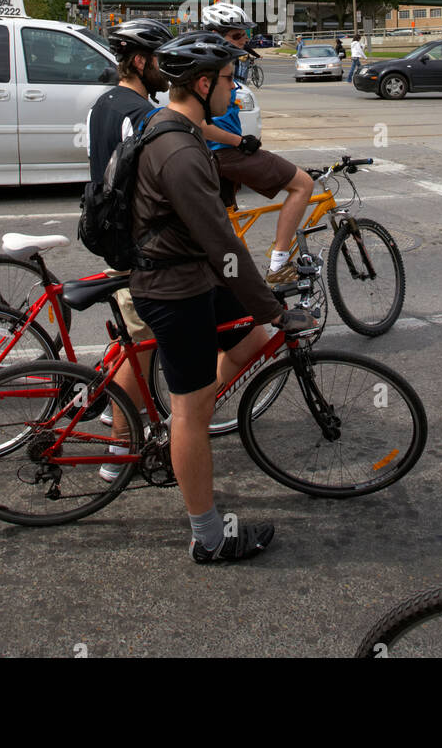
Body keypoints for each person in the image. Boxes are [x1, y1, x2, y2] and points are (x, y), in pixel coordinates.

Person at [128, 30, 315, 562]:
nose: (235, 91)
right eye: (229, 80)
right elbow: (225, 247)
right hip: (175, 290)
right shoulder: (179, 152)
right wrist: (274, 305)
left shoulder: (174, 128)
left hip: (193, 278)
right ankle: (208, 538)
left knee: (255, 336)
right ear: (203, 83)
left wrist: (264, 315)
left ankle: (195, 418)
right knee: (188, 411)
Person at [85, 18, 171, 478]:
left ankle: (111, 407)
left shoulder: (102, 104)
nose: (166, 69)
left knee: (133, 337)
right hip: (137, 244)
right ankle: (118, 456)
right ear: (139, 61)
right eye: (159, 60)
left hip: (110, 232)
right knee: (144, 342)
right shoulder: (141, 113)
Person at [200, 3, 314, 284]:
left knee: (227, 229)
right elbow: (199, 125)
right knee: (303, 185)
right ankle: (278, 266)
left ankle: (230, 283)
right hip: (225, 154)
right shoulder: (211, 69)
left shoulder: (219, 64)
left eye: (244, 36)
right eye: (237, 36)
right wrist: (241, 142)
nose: (244, 42)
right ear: (216, 35)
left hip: (218, 157)